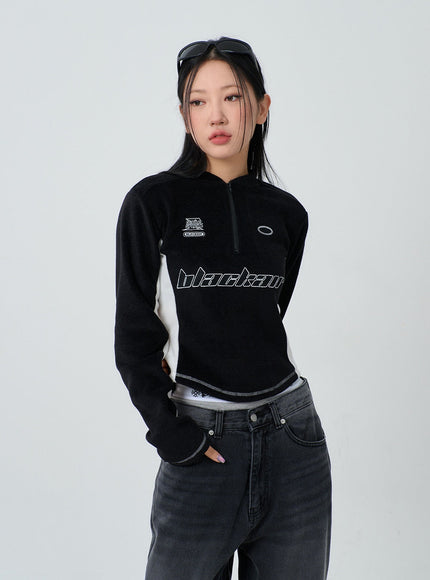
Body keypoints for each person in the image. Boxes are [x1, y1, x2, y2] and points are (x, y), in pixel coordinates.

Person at [114, 36, 332, 580]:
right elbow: (134, 340)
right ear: (185, 116)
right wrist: (172, 435)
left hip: (294, 441)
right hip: (201, 442)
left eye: (232, 97)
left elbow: (265, 317)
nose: (216, 114)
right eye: (198, 101)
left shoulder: (288, 215)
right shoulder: (152, 204)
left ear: (261, 107)